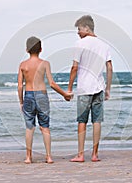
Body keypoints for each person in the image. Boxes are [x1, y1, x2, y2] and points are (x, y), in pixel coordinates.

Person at [18, 36, 73, 164]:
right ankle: (48, 156)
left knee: (29, 127)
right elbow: (52, 84)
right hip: (42, 95)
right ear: (41, 49)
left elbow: (20, 86)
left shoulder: (23, 65)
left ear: (27, 49)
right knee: (45, 127)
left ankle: (28, 157)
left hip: (29, 95)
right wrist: (64, 94)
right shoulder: (45, 64)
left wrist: (21, 101)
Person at [68, 15, 113, 162]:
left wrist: (69, 88)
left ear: (87, 28)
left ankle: (80, 155)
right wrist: (108, 88)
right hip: (99, 87)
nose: (78, 32)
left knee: (82, 121)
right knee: (97, 121)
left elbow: (74, 68)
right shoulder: (104, 45)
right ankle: (94, 154)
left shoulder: (79, 44)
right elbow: (109, 67)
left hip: (84, 88)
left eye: (79, 29)